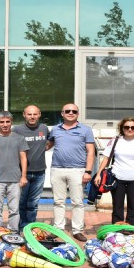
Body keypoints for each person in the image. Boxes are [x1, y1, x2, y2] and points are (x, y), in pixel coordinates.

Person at [47, 103, 95, 242]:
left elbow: (91, 151)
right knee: (58, 201)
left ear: (77, 114)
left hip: (78, 170)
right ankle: (58, 228)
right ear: (62, 113)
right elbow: (46, 146)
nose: (70, 113)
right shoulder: (55, 129)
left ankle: (77, 230)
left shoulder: (85, 130)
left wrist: (88, 171)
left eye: (74, 111)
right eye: (67, 111)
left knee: (77, 202)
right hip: (57, 169)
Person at [94, 118, 134, 226]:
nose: (130, 129)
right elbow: (106, 158)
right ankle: (117, 231)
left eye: (133, 127)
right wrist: (98, 174)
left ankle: (131, 231)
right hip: (117, 178)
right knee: (117, 206)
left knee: (133, 207)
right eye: (127, 127)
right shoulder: (115, 140)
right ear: (122, 128)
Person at [0, 111, 28, 232]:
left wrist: (23, 176)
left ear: (11, 123)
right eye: (2, 122)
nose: (5, 124)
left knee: (14, 209)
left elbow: (23, 158)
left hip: (15, 179)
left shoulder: (19, 138)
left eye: (8, 121)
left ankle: (13, 232)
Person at [12, 105, 49, 232]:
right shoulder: (17, 129)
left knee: (33, 203)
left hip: (39, 172)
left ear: (39, 114)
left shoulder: (44, 128)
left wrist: (46, 147)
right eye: (29, 114)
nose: (32, 117)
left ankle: (30, 226)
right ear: (24, 115)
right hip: (22, 173)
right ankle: (22, 226)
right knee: (21, 202)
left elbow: (51, 141)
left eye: (34, 114)